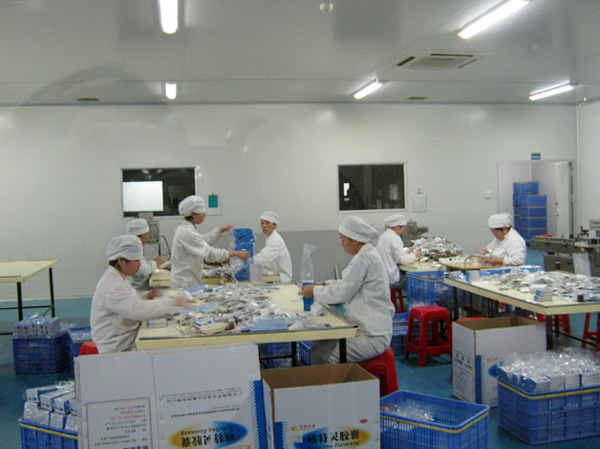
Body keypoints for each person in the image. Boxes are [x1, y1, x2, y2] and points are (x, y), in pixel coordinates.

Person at [301, 216, 395, 364]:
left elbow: (343, 293)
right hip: (370, 328)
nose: (342, 244)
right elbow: (349, 283)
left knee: (321, 355)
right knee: (322, 343)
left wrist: (314, 291)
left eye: (343, 239)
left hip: (372, 336)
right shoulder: (366, 255)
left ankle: (337, 379)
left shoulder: (364, 258)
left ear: (355, 240)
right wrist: (325, 284)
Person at [90, 235, 188, 353]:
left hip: (126, 339)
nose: (140, 265)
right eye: (136, 261)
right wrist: (172, 302)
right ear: (121, 261)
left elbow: (127, 301)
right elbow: (138, 310)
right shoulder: (112, 285)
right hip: (119, 348)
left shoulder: (117, 278)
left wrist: (146, 295)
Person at [170, 195, 250, 289]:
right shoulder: (185, 232)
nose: (204, 215)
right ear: (192, 214)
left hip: (190, 279)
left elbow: (202, 242)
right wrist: (236, 253)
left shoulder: (187, 228)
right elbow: (209, 254)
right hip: (185, 283)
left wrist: (219, 230)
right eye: (201, 213)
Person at [376, 213, 422, 286]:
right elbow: (403, 260)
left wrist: (406, 253)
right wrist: (415, 256)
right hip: (392, 278)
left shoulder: (383, 236)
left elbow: (393, 254)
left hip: (383, 276)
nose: (402, 231)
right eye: (403, 228)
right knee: (418, 281)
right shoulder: (394, 238)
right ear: (398, 227)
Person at [126, 218, 166, 291]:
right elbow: (143, 271)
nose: (147, 237)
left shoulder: (132, 246)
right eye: (146, 234)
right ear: (141, 235)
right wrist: (155, 262)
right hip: (138, 290)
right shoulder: (133, 249)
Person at [253, 211, 293, 283]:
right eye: (262, 223)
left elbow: (264, 257)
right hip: (273, 274)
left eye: (267, 223)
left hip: (281, 278)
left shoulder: (276, 240)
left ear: (274, 225)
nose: (264, 226)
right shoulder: (270, 238)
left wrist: (248, 261)